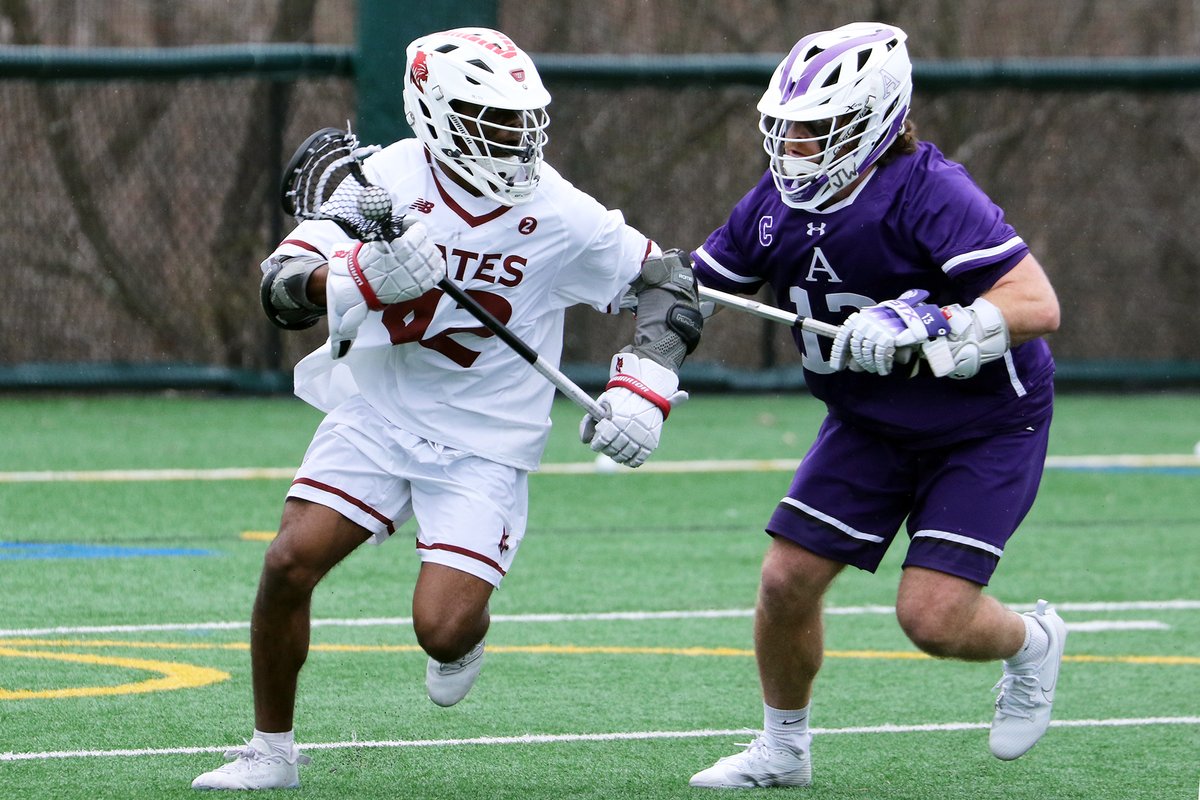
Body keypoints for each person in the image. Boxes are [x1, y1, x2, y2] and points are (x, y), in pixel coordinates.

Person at [192, 27, 702, 791]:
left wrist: (646, 386)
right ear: (433, 112)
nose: (515, 137)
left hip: (484, 442)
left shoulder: (562, 212)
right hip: (381, 411)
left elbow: (670, 281)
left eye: (523, 119)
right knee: (287, 562)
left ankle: (464, 643)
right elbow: (281, 287)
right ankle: (270, 751)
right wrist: (355, 279)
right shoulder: (384, 178)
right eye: (491, 118)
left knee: (442, 626)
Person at [687, 22, 1065, 789]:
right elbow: (691, 293)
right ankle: (783, 751)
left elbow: (1036, 301)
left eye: (818, 131)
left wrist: (939, 320)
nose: (796, 149)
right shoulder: (773, 203)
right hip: (868, 421)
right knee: (785, 581)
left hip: (982, 422)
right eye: (788, 130)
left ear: (875, 121)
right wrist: (642, 377)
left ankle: (1032, 641)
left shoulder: (929, 190)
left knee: (932, 618)